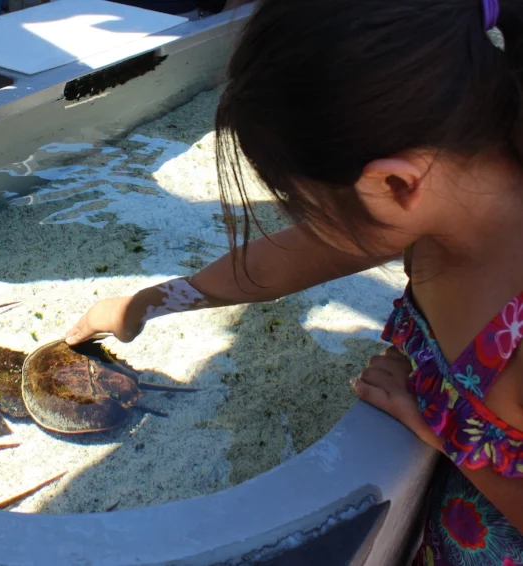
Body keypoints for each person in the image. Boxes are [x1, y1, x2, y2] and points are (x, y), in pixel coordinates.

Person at [64, 0, 523, 564]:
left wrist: (452, 438)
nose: (301, 221)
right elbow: (284, 261)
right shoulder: (454, 196)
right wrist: (144, 304)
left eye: (303, 204)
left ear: (395, 183)